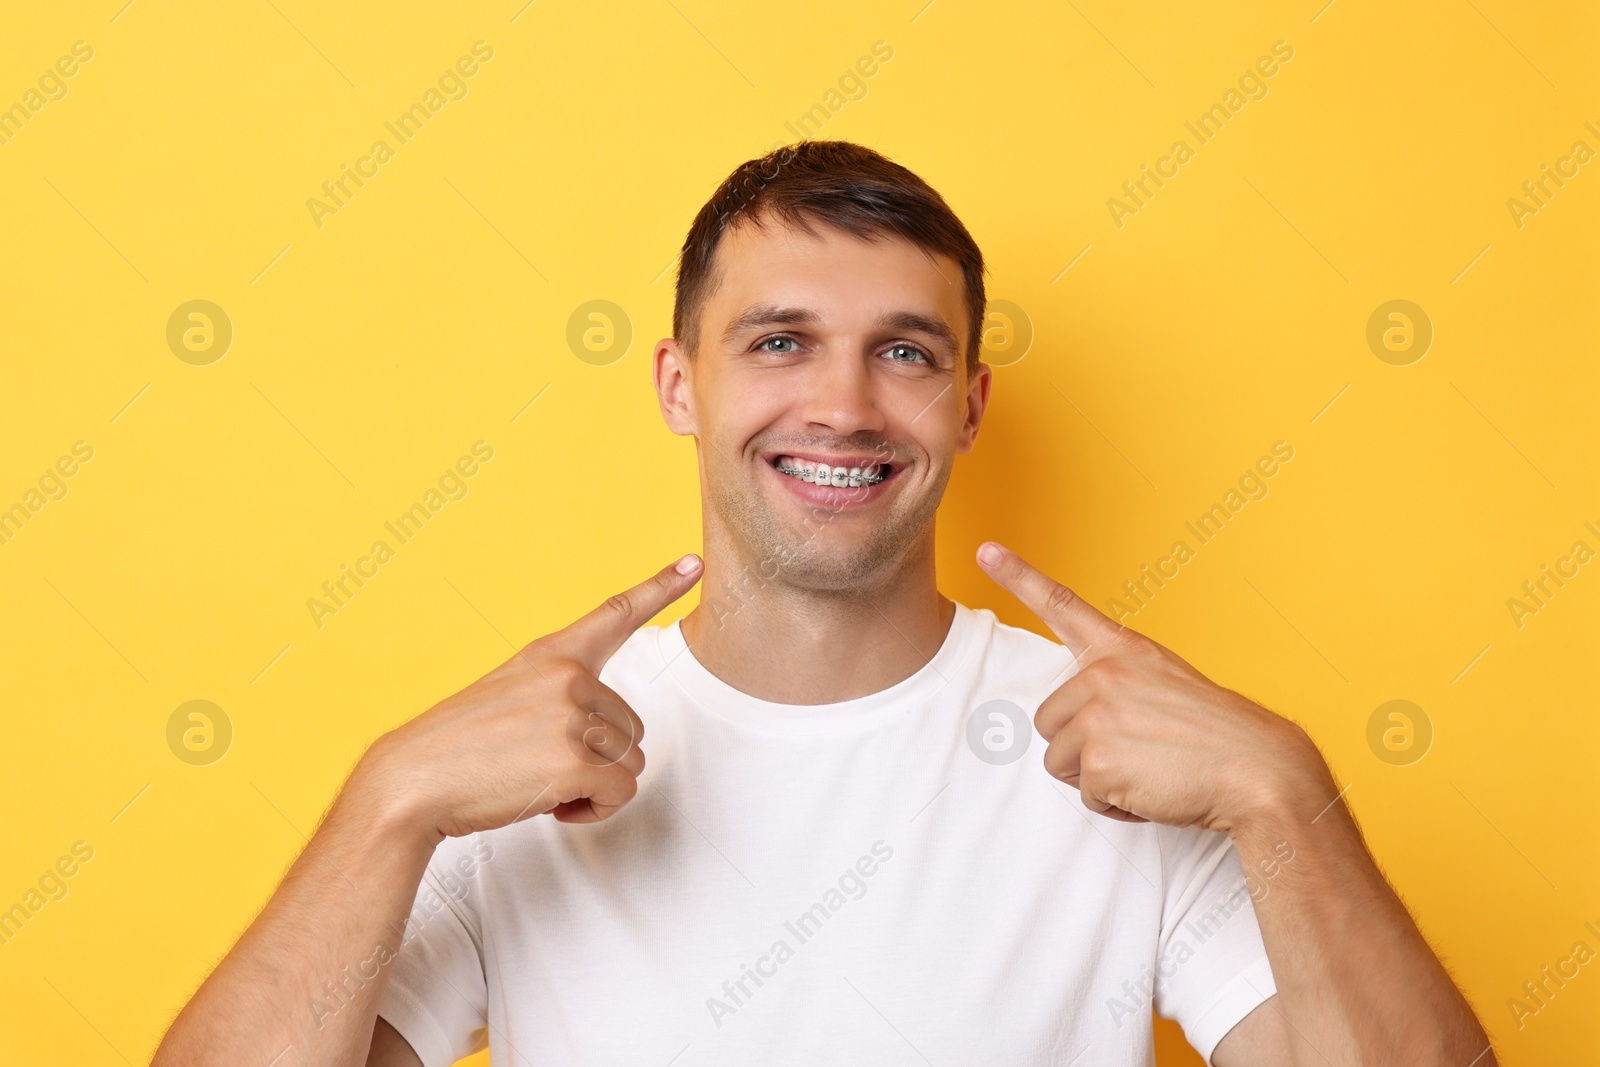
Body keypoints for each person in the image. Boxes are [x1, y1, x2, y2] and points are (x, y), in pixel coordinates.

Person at [152, 140, 1495, 1067]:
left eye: (903, 354)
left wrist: (1282, 789)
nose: (842, 407)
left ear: (968, 408)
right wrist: (387, 800)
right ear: (681, 385)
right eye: (780, 340)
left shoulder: (1127, 755)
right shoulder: (518, 768)